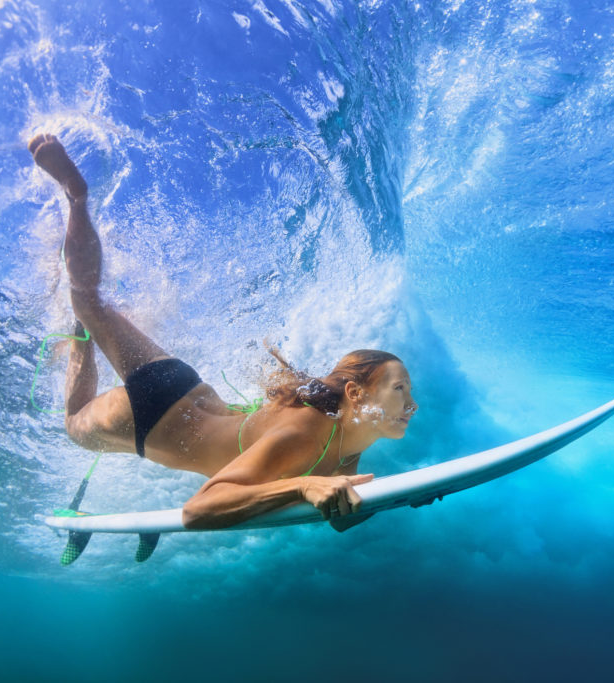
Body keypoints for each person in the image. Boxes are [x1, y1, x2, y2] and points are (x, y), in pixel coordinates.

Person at [28, 134, 417, 531]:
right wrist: (302, 487)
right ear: (356, 394)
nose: (412, 404)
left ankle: (77, 213)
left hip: (184, 385)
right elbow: (200, 509)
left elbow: (340, 520)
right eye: (400, 389)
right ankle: (77, 227)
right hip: (151, 418)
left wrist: (409, 495)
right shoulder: (307, 432)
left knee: (91, 303)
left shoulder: (351, 434)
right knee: (74, 423)